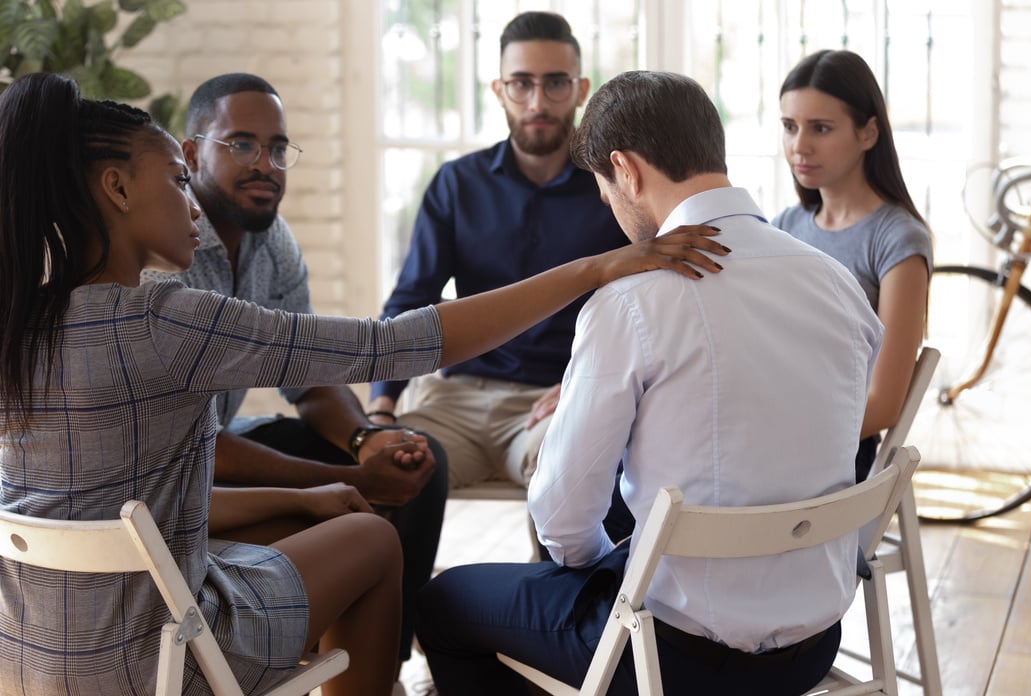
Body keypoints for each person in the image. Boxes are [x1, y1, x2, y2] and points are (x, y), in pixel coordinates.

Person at [0, 73, 725, 696]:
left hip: (26, 653)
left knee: (320, 521)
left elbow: (122, 508)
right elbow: (397, 342)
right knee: (375, 545)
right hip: (154, 656)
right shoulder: (166, 319)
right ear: (117, 187)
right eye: (175, 178)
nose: (189, 200)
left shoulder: (19, 318)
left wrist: (305, 491)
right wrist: (595, 269)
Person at [415, 70, 884, 696]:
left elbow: (560, 518)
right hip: (814, 640)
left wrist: (594, 569)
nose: (608, 205)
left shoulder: (633, 302)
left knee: (444, 605)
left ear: (626, 170)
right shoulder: (836, 283)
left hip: (671, 658)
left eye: (604, 188)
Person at [140, 72, 448, 665]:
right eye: (242, 144)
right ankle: (307, 648)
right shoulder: (164, 255)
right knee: (360, 498)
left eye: (278, 148)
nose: (266, 163)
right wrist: (350, 481)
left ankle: (375, 662)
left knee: (417, 461)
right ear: (191, 152)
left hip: (220, 449)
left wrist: (366, 442)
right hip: (178, 476)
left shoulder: (272, 240)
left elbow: (308, 377)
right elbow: (197, 444)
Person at [367, 11, 632, 494]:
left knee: (572, 473)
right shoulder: (456, 184)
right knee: (392, 472)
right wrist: (382, 404)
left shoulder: (615, 189)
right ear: (498, 90)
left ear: (580, 89)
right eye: (521, 84)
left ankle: (555, 575)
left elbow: (646, 304)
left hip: (558, 399)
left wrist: (594, 384)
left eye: (555, 83)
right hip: (455, 400)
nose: (538, 101)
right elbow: (411, 298)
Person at [773, 49, 932, 482]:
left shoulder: (897, 239)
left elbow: (883, 401)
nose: (799, 146)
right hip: (765, 428)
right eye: (790, 127)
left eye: (820, 129)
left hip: (834, 452)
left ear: (868, 133)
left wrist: (780, 438)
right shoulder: (784, 225)